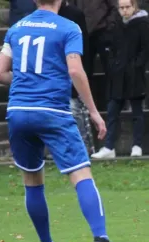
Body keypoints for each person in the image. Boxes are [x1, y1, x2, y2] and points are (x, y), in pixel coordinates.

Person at [0, 0, 128, 242]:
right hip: (52, 110)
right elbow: (75, 70)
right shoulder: (68, 27)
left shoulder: (17, 28)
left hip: (19, 111)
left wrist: (25, 78)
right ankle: (101, 239)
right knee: (81, 173)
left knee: (32, 181)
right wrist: (93, 111)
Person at [91, 0, 149, 159]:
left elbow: (146, 49)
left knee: (137, 110)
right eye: (121, 8)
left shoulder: (141, 24)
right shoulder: (116, 25)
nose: (124, 11)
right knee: (112, 111)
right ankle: (109, 146)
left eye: (127, 7)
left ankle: (137, 145)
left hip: (133, 74)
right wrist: (113, 65)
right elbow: (111, 47)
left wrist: (136, 66)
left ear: (134, 6)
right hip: (118, 74)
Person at [59, 0, 95, 155]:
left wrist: (83, 72)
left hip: (72, 70)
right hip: (57, 74)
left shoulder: (74, 15)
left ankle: (81, 148)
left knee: (76, 111)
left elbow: (85, 46)